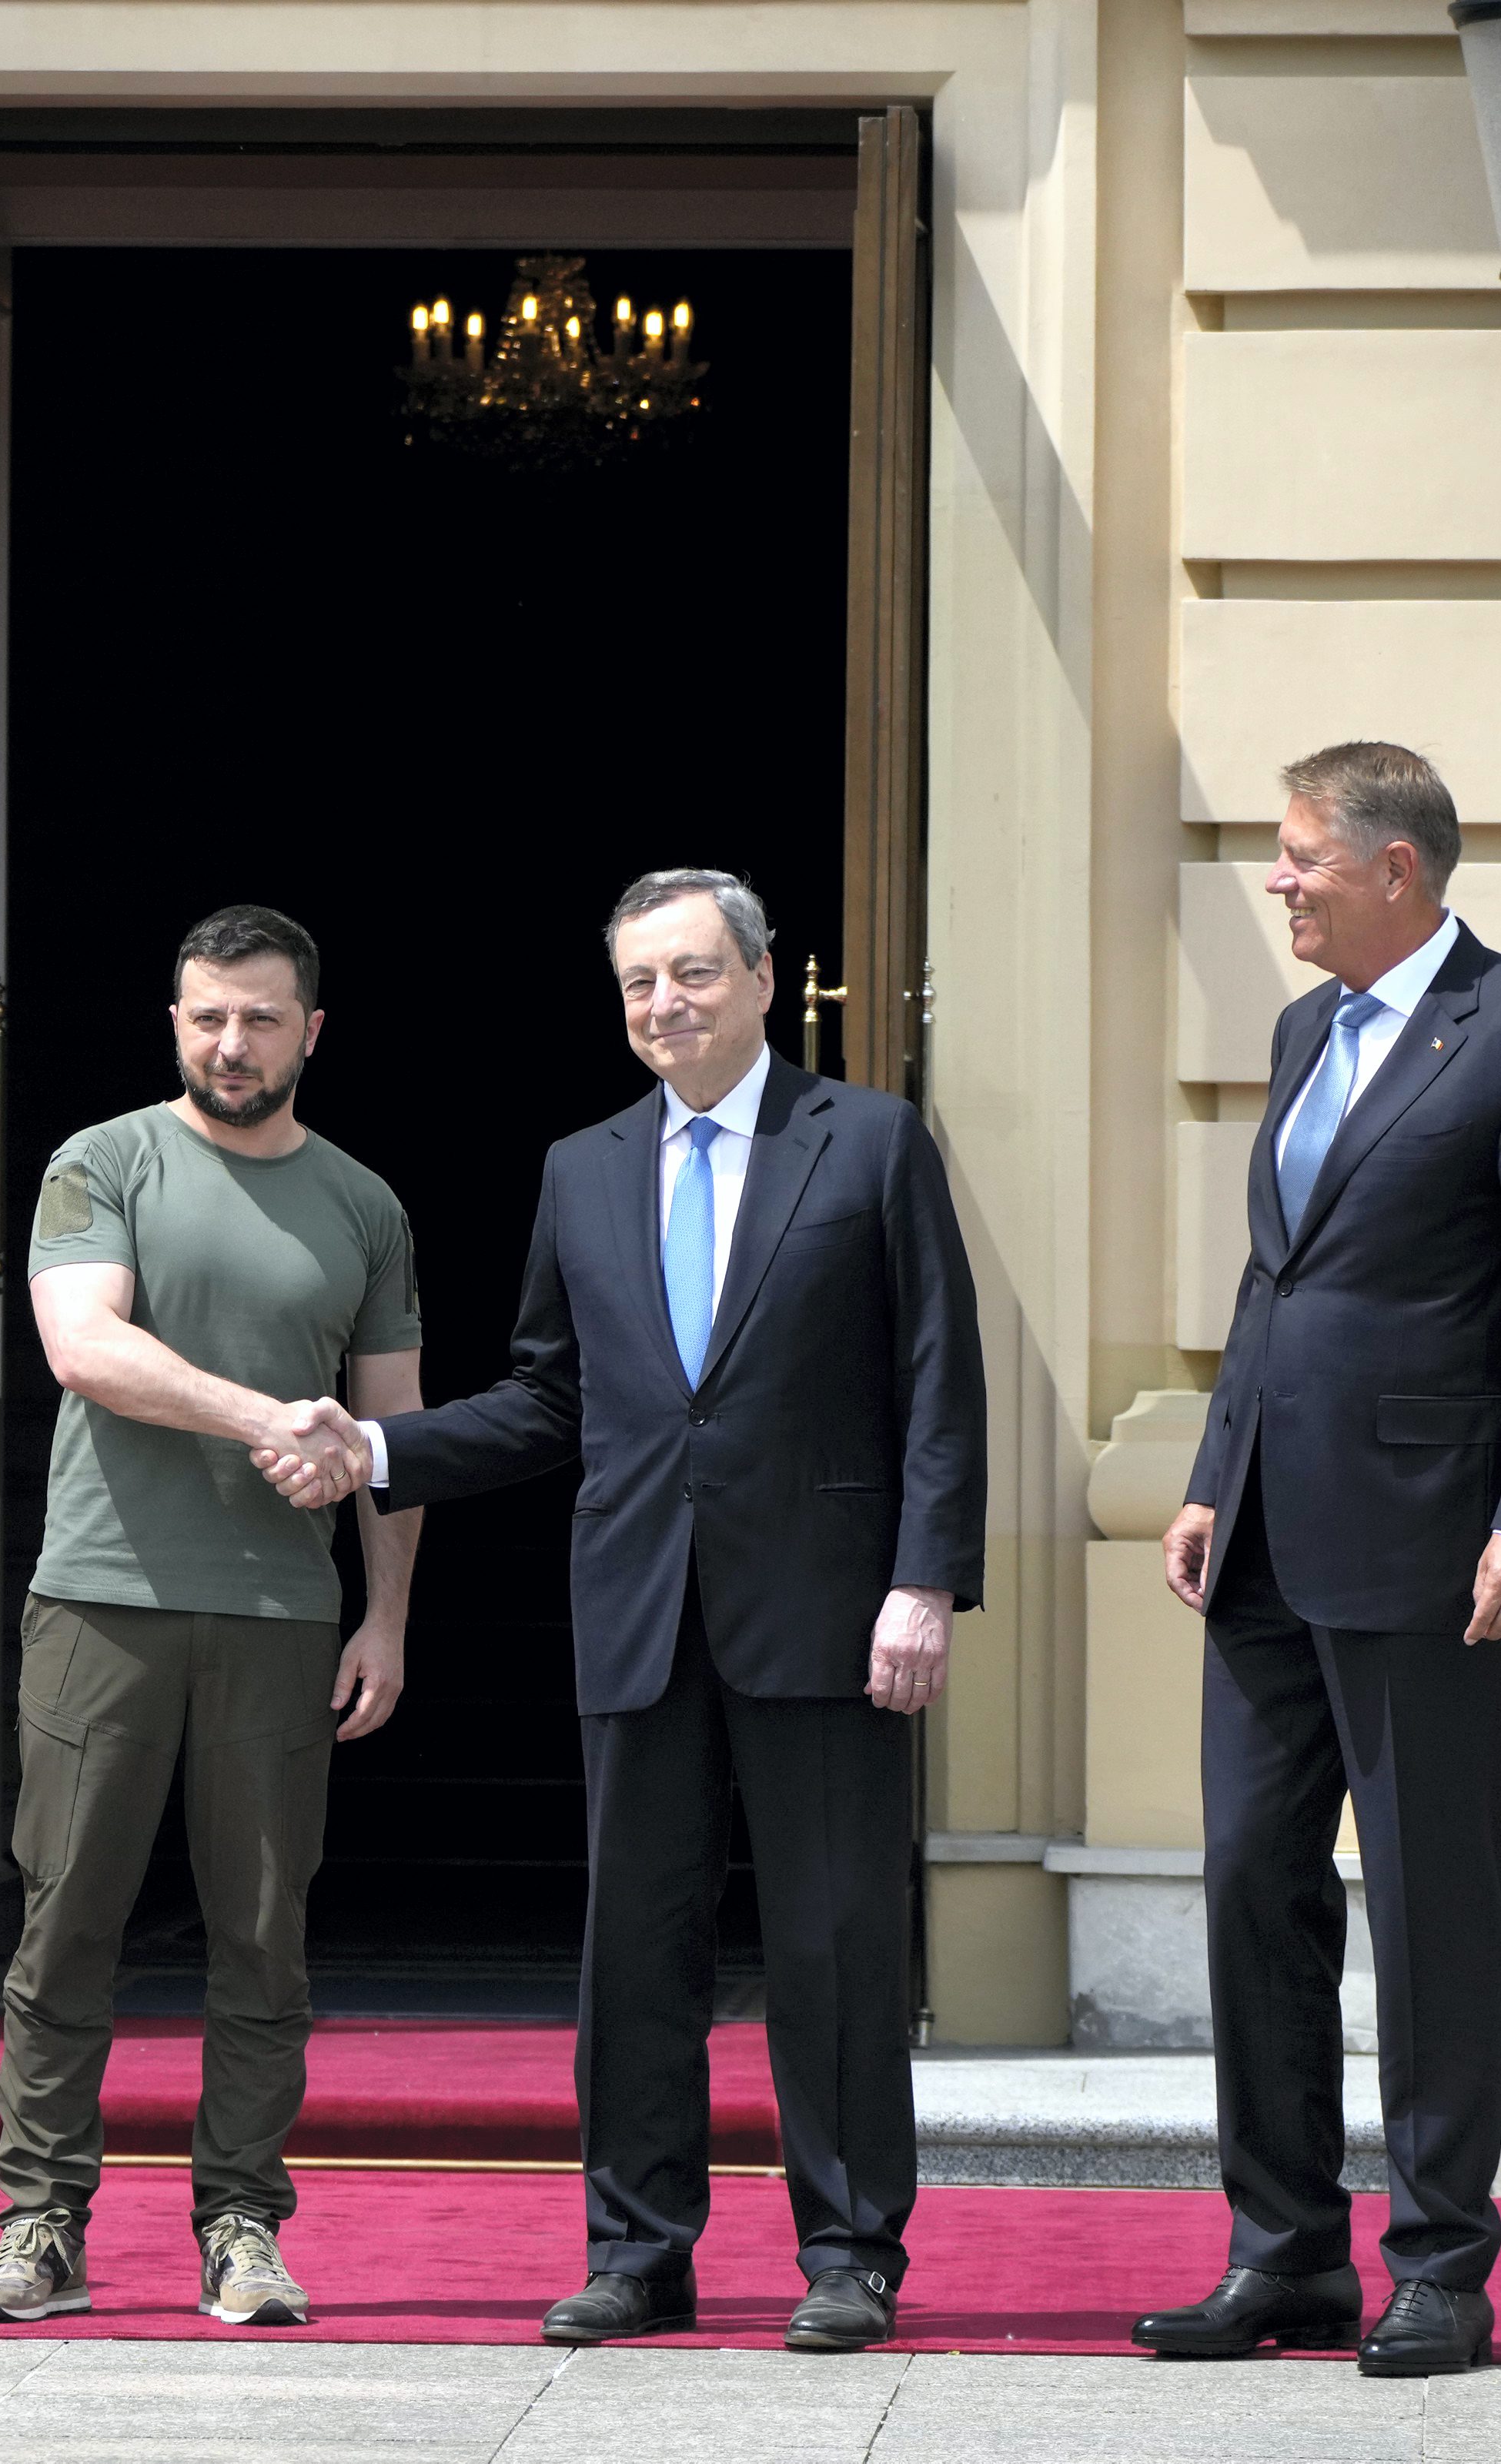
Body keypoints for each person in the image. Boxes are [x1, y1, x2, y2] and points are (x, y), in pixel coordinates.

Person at [273, 868, 983, 2354]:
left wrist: (925, 1579)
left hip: (828, 1607)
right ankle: (640, 2247)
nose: (665, 1005)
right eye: (639, 984)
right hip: (641, 1608)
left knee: (835, 1942)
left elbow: (938, 1381)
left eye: (694, 974)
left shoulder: (869, 1141)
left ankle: (850, 2251)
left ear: (764, 978)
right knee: (634, 1945)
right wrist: (384, 1448)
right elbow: (552, 1394)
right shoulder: (584, 1165)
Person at [1137, 744, 1501, 2379]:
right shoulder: (1301, 1032)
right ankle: (1282, 2250)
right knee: (1249, 1888)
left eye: (1298, 858)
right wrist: (1215, 1472)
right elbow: (1277, 1276)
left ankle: (1441, 2263)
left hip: (1430, 1546)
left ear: (1395, 868)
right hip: (1269, 1534)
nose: (1276, 881)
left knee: (1426, 1904)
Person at [0, 904, 417, 2335]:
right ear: (175, 1022)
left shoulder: (364, 1205)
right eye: (208, 1015)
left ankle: (243, 2224)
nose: (233, 1042)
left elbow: (395, 1439)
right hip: (103, 1599)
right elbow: (81, 1342)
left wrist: (387, 1615)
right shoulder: (103, 1162)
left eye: (262, 1017)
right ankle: (39, 2220)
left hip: (285, 1614)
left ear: (312, 1031)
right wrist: (268, 1411)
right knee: (67, 1921)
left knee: (265, 1935)